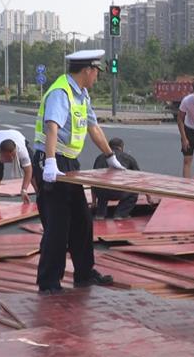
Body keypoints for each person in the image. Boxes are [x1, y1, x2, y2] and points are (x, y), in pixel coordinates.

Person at [32, 49, 124, 294]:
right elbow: (52, 127)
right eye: (96, 71)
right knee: (58, 225)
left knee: (82, 220)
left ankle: (84, 274)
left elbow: (93, 127)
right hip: (52, 162)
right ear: (87, 70)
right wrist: (50, 163)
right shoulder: (61, 92)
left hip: (69, 163)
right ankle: (48, 282)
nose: (97, 76)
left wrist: (110, 157)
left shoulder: (81, 95)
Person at [92, 137, 150, 219]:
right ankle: (120, 214)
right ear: (122, 147)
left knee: (101, 187)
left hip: (101, 192)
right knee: (133, 193)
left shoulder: (99, 158)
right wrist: (148, 197)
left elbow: (93, 181)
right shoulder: (128, 158)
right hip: (118, 191)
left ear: (109, 147)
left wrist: (94, 202)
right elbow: (140, 178)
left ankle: (100, 214)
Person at [0, 129, 36, 203]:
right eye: (8, 157)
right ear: (1, 153)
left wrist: (24, 190)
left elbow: (28, 171)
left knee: (34, 169)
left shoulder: (22, 151)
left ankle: (39, 194)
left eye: (13, 156)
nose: (11, 159)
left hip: (17, 135)